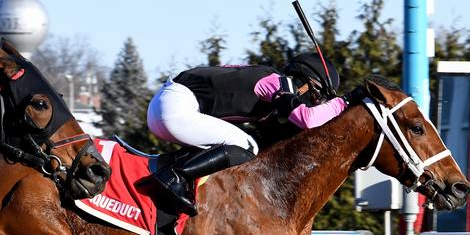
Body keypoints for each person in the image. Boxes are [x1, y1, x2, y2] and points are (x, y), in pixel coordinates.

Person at [146, 52, 346, 215]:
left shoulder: (271, 87)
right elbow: (307, 119)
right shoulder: (279, 83)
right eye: (317, 94)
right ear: (305, 81)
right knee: (246, 145)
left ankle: (182, 178)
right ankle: (175, 176)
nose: (315, 101)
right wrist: (344, 103)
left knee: (243, 143)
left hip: (170, 106)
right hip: (174, 107)